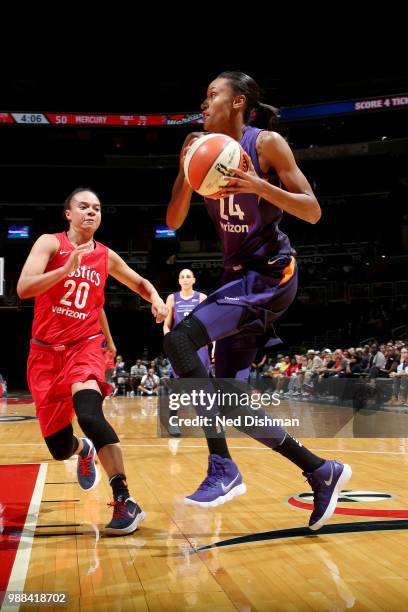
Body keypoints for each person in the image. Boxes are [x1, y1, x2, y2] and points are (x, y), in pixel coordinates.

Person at [164, 71, 351, 530]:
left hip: (270, 274)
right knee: (230, 402)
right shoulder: (199, 146)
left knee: (180, 343)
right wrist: (187, 175)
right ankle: (322, 471)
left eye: (212, 95)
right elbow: (172, 221)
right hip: (237, 277)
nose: (203, 104)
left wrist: (257, 185)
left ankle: (223, 468)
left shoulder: (265, 144)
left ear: (239, 101)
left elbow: (312, 210)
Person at [17, 187, 168, 536]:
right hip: (43, 355)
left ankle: (124, 499)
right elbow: (24, 288)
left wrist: (157, 300)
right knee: (58, 448)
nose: (91, 212)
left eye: (97, 208)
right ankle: (82, 450)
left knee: (89, 414)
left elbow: (139, 282)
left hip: (83, 348)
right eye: (83, 206)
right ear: (68, 213)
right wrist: (65, 268)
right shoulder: (50, 244)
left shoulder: (105, 255)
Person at [163, 268, 212, 375]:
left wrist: (215, 345)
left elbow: (210, 325)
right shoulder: (171, 298)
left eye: (188, 277)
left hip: (199, 344)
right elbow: (166, 325)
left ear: (194, 280)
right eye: (182, 277)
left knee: (202, 383)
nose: (185, 279)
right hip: (180, 345)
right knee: (183, 384)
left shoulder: (202, 298)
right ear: (179, 281)